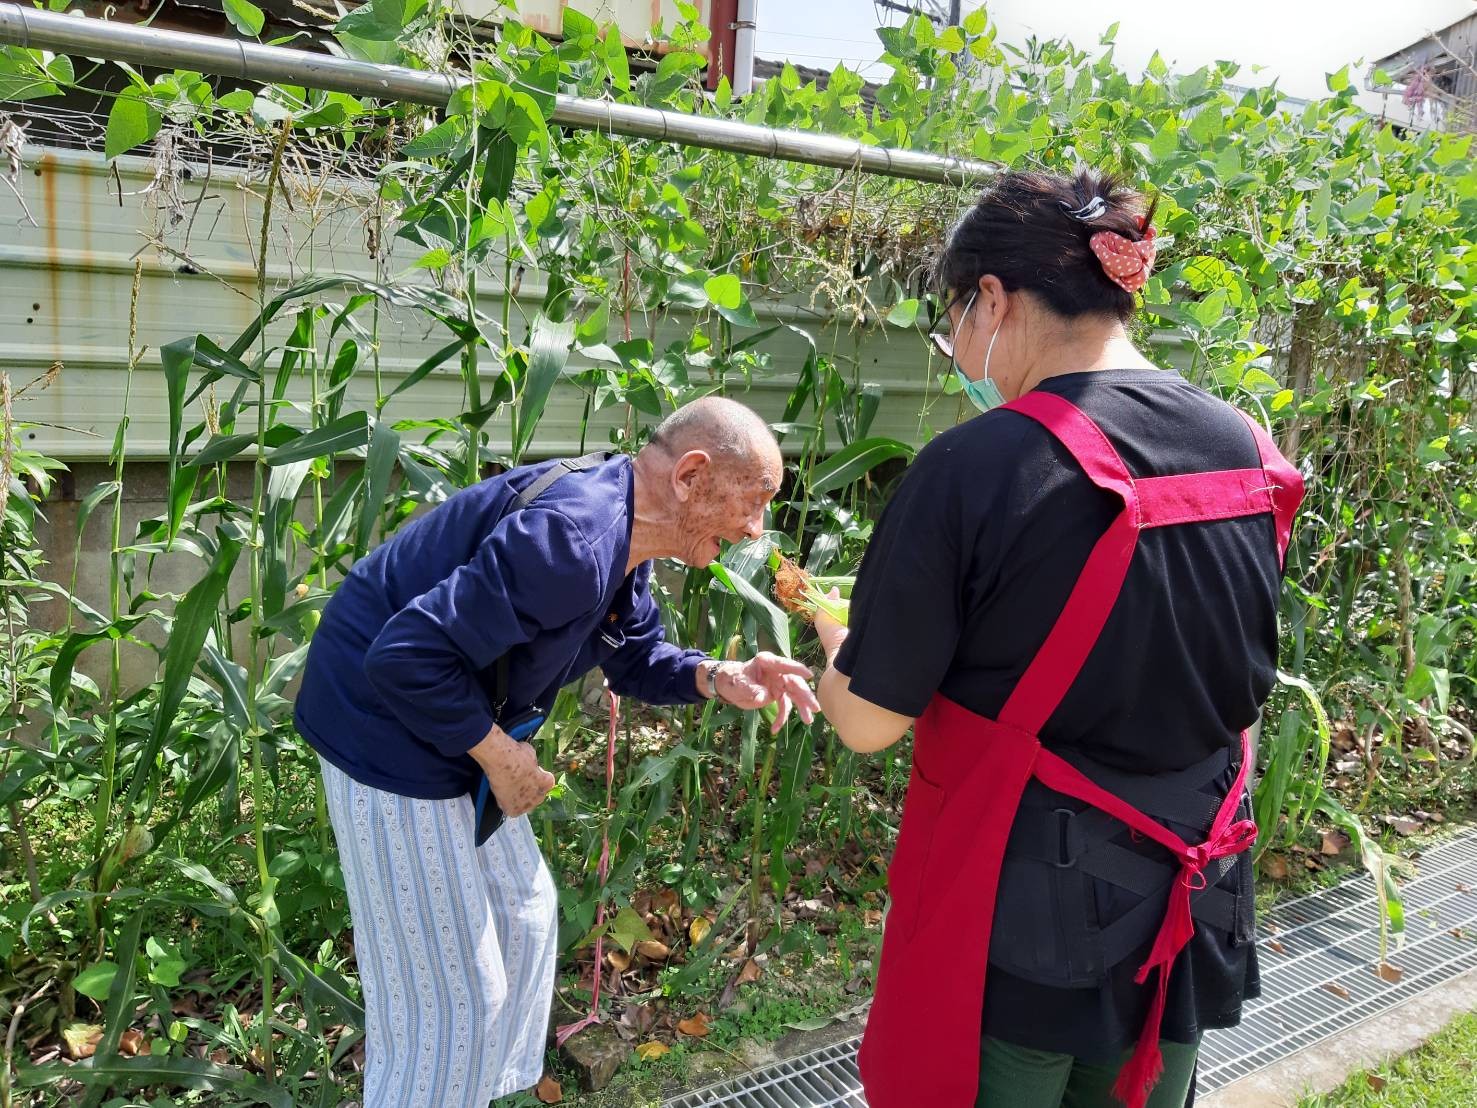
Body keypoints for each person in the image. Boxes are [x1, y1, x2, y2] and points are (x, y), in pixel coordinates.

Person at [813, 169, 1304, 1108]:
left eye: (954, 315)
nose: (958, 343)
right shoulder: (1244, 444)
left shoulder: (975, 467)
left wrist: (837, 644)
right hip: (1193, 888)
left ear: (992, 299)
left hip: (1030, 919)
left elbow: (869, 722)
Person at [294, 397, 819, 1107]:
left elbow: (633, 655)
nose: (755, 530)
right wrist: (500, 758)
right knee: (453, 998)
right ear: (690, 475)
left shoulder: (624, 541)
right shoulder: (572, 538)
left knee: (527, 918)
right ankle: (431, 1083)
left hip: (453, 721)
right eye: (753, 502)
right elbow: (404, 657)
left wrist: (720, 677)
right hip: (380, 726)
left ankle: (471, 1092)